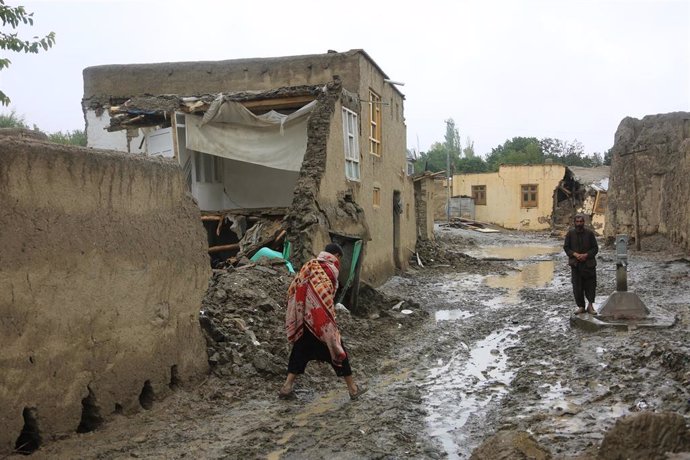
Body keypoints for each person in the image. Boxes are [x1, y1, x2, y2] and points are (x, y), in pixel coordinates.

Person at [279, 242, 367, 400]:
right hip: (321, 323)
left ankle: (286, 388)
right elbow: (325, 295)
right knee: (339, 352)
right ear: (337, 256)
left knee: (299, 352)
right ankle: (353, 389)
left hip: (305, 322)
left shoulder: (309, 265)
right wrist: (325, 316)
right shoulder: (330, 269)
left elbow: (294, 288)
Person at [563, 214, 599, 315]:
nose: (579, 224)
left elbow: (595, 248)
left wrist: (586, 255)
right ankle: (581, 306)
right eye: (577, 222)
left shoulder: (589, 233)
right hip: (576, 265)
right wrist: (575, 254)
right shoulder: (570, 234)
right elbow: (566, 248)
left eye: (581, 222)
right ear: (574, 223)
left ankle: (590, 306)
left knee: (591, 286)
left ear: (584, 222)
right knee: (577, 287)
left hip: (589, 264)